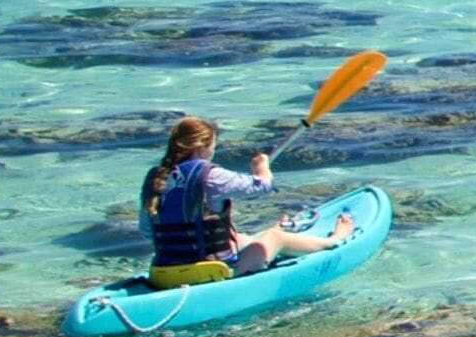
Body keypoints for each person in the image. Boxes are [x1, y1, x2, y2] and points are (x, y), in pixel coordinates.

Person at [140, 116, 351, 286]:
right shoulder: (212, 175)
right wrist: (261, 167)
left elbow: (148, 232)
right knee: (274, 236)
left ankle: (263, 240)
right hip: (209, 273)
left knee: (240, 238)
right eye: (213, 145)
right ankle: (333, 240)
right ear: (201, 148)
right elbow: (261, 186)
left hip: (163, 274)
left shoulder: (155, 178)